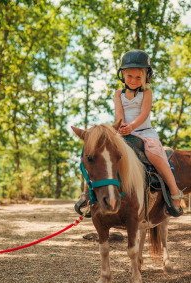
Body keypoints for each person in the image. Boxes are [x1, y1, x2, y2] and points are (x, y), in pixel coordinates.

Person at [75, 49, 184, 217]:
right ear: (123, 75)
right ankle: (88, 196)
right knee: (99, 154)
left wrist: (131, 126)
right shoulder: (118, 93)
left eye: (138, 77)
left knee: (155, 152)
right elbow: (119, 113)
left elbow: (144, 114)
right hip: (123, 130)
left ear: (146, 77)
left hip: (144, 131)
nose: (133, 81)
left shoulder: (147, 93)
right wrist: (121, 126)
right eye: (130, 76)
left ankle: (174, 193)